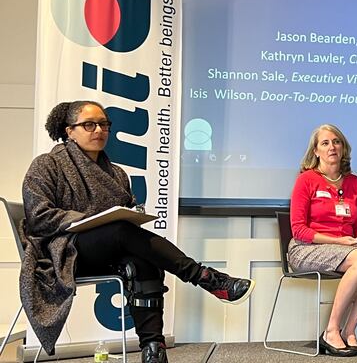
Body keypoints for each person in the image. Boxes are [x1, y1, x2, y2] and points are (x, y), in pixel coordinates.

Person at [21, 101, 255, 363]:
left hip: (108, 249)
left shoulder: (116, 172)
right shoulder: (46, 165)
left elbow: (125, 209)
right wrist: (91, 220)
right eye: (89, 125)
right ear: (69, 131)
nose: (98, 130)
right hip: (64, 252)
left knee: (142, 260)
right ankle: (206, 277)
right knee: (121, 230)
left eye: (104, 124)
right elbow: (39, 217)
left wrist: (131, 212)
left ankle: (153, 350)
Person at [288, 124, 357, 357]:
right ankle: (330, 331)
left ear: (343, 148)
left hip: (347, 249)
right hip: (307, 249)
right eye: (325, 143)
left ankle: (349, 330)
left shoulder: (354, 182)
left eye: (336, 142)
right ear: (315, 151)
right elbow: (298, 230)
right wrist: (340, 242)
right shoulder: (306, 180)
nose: (332, 147)